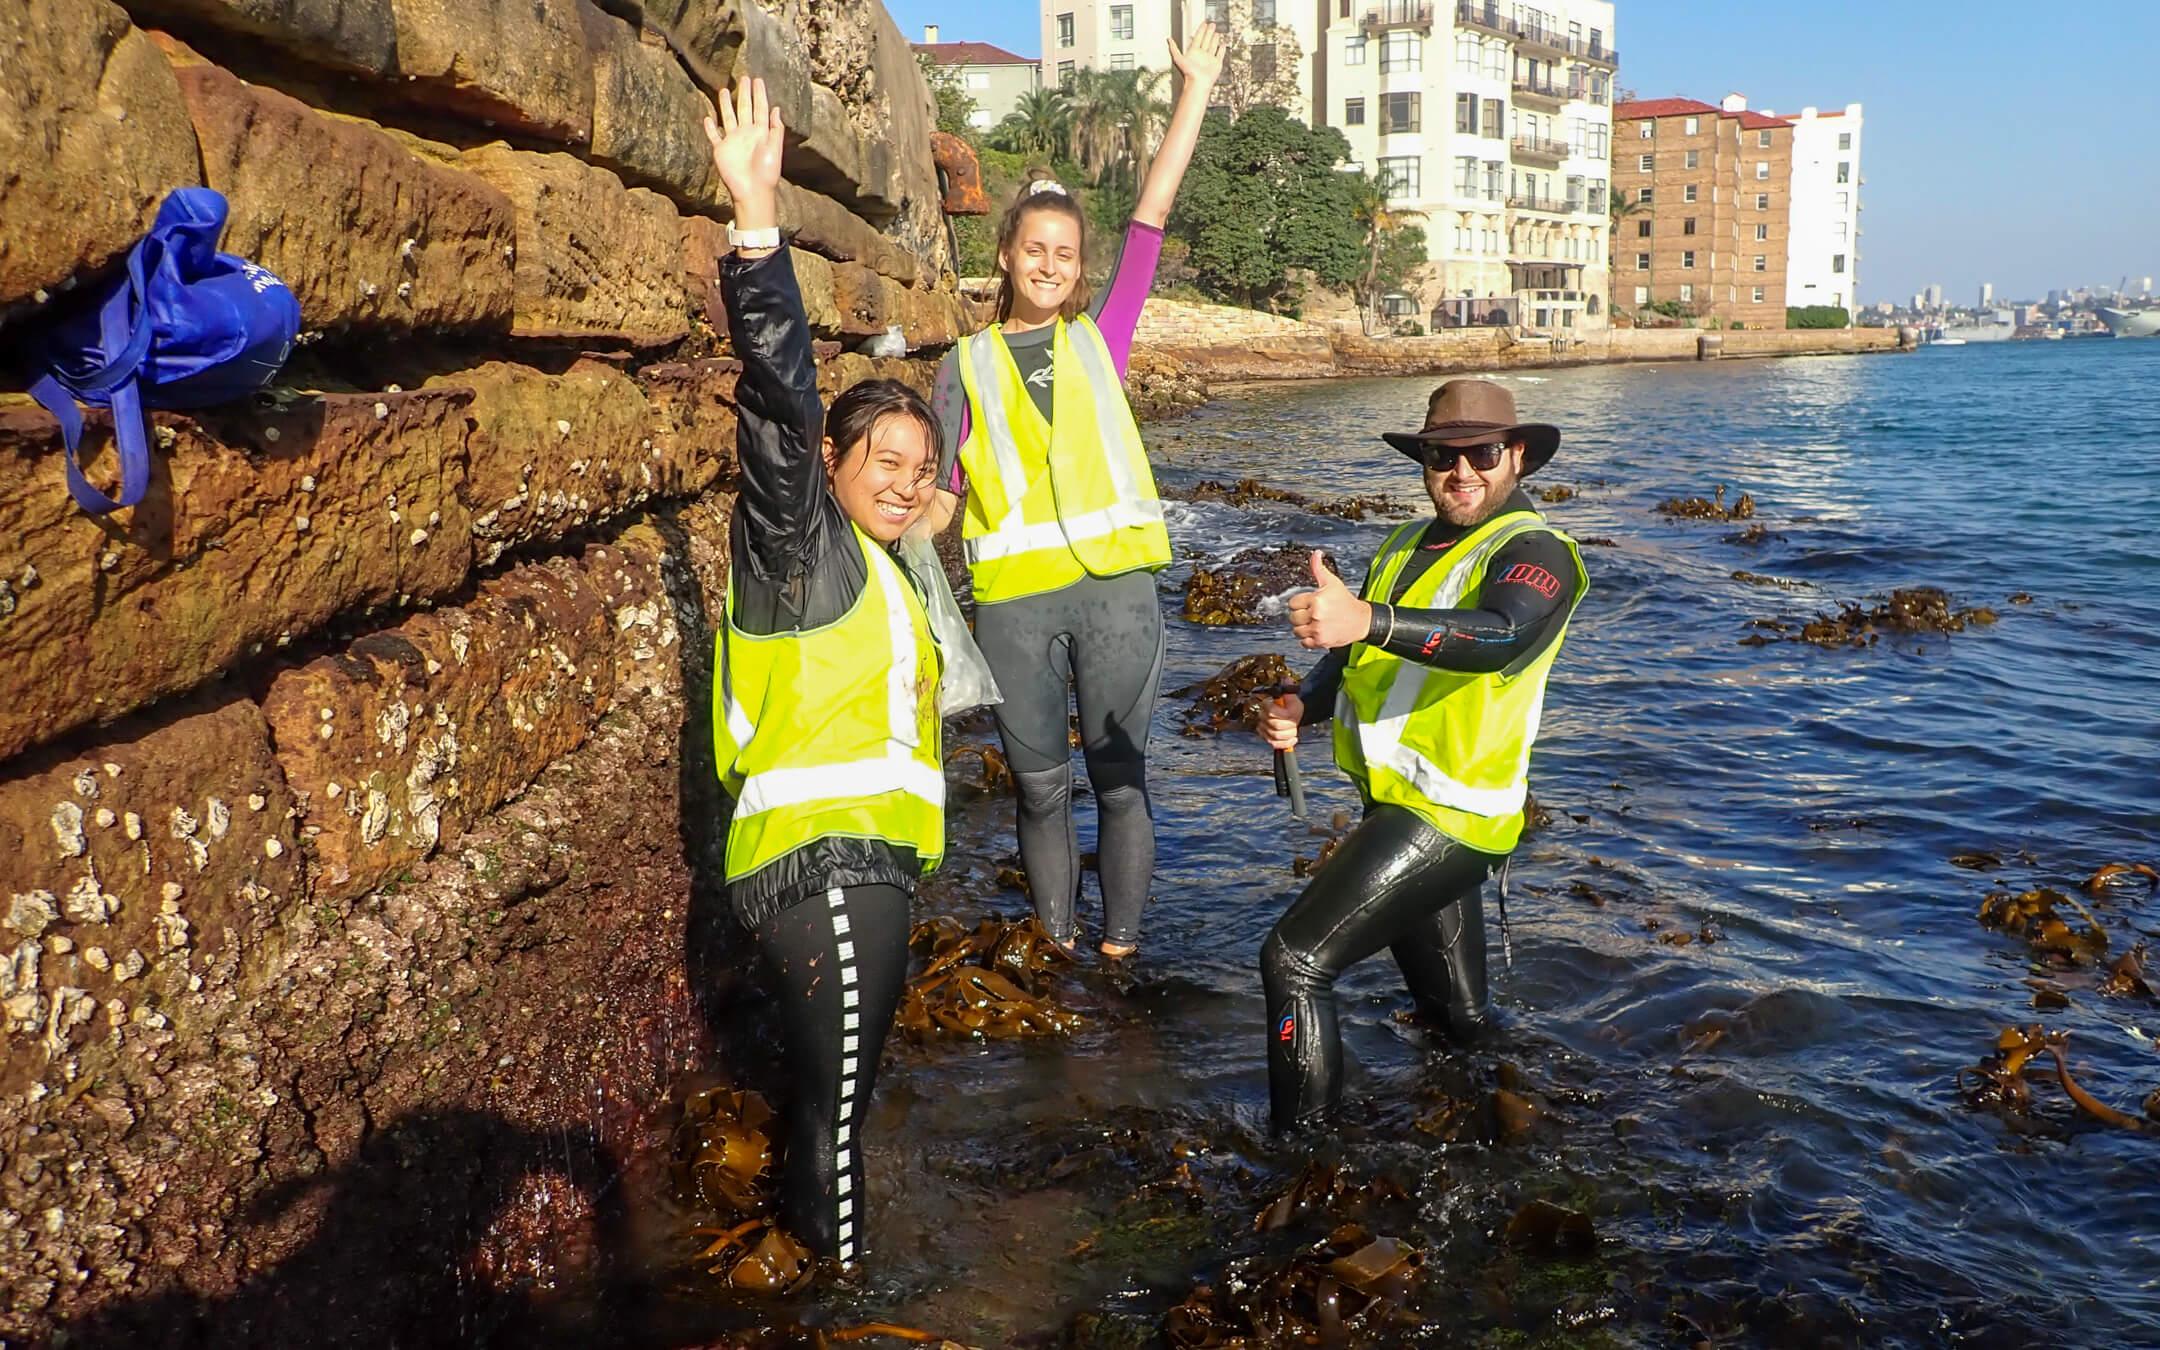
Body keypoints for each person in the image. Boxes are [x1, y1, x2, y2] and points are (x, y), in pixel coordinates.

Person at [702, 77, 945, 1267]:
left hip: (858, 863)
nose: (903, 481)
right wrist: (758, 225)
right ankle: (842, 1309)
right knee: (839, 1128)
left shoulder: (889, 570)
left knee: (828, 1110)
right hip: (825, 871)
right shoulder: (802, 543)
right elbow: (780, 405)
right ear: (833, 469)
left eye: (921, 467)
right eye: (881, 460)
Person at [919, 23, 1227, 959]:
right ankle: (1054, 946)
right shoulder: (960, 366)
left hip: (1118, 599)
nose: (1050, 263)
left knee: (1122, 781)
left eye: (1066, 252)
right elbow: (939, 495)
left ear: (1080, 269)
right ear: (1006, 257)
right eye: (1034, 249)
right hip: (1012, 604)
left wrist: (1196, 95)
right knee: (1041, 789)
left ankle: (1121, 951)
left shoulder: (1105, 338)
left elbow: (1151, 214)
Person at [1254, 379, 1590, 1133]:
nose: (1462, 471)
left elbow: (1499, 633)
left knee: (1295, 963)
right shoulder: (1404, 545)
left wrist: (1367, 616)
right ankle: (1512, 1129)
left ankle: (1302, 1167)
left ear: (1519, 457)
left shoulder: (1536, 551)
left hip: (1453, 815)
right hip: (1401, 807)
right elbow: (1356, 654)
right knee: (1459, 1023)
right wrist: (1304, 705)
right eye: (1444, 455)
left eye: (1482, 453)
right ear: (1424, 459)